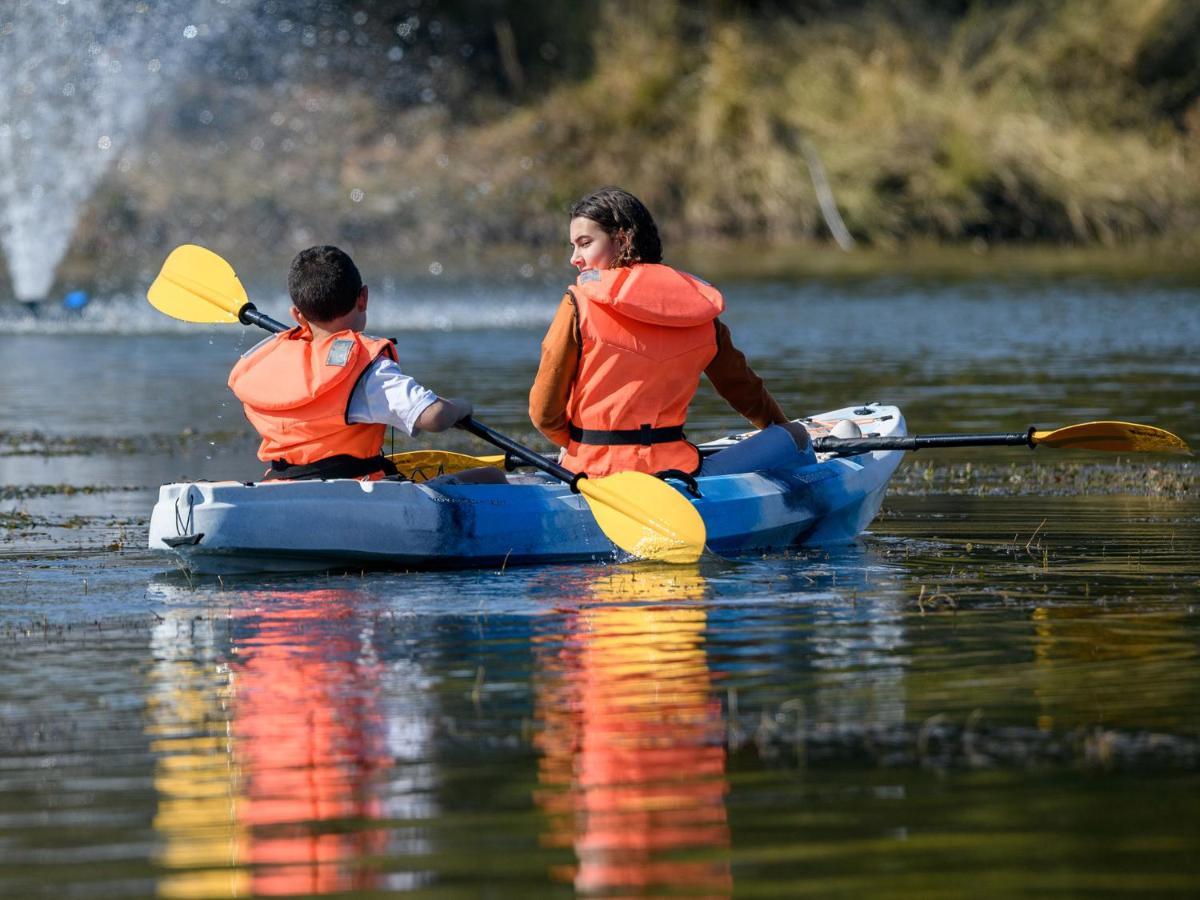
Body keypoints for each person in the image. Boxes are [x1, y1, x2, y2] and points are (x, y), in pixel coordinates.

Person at [529, 187, 813, 479]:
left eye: (584, 243)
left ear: (622, 238)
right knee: (795, 436)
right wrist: (780, 428)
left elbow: (544, 414)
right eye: (574, 246)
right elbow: (744, 390)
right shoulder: (698, 308)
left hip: (590, 474)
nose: (574, 258)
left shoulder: (577, 304)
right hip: (677, 474)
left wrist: (575, 446)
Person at [229, 245, 504, 483]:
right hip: (356, 492)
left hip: (280, 484)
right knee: (492, 477)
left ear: (297, 315)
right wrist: (459, 408)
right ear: (363, 298)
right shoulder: (364, 367)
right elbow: (433, 417)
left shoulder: (271, 358)